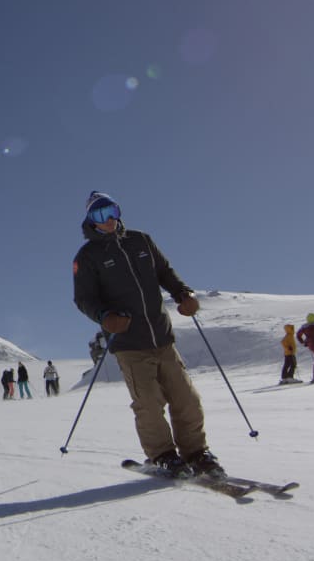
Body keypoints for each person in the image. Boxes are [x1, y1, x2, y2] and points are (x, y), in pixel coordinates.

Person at [73, 191, 224, 478]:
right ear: (90, 220)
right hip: (129, 342)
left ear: (118, 212)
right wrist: (106, 317)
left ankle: (197, 452)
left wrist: (183, 293)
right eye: (98, 215)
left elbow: (164, 272)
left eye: (111, 212)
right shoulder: (88, 257)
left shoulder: (140, 240)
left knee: (186, 399)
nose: (107, 221)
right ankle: (163, 455)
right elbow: (84, 299)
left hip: (161, 336)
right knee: (149, 403)